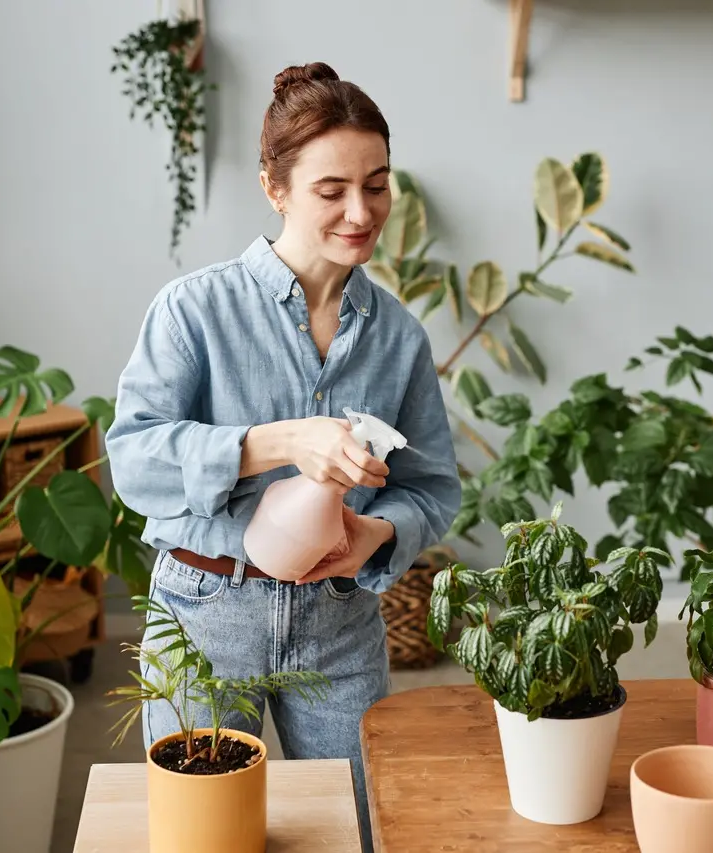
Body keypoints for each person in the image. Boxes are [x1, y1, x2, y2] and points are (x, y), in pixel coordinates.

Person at [104, 61, 461, 851]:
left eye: (377, 184)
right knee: (206, 838)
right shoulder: (195, 309)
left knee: (355, 829)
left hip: (339, 625)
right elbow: (132, 460)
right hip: (203, 613)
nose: (361, 211)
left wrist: (379, 535)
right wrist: (279, 442)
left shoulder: (399, 337)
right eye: (331, 190)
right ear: (275, 187)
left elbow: (433, 486)